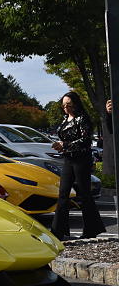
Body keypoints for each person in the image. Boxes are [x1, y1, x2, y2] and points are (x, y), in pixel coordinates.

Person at [50, 91, 106, 240]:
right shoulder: (64, 120)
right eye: (63, 105)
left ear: (75, 104)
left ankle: (91, 229)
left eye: (68, 104)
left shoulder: (83, 119)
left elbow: (86, 141)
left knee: (84, 194)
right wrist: (60, 146)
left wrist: (65, 145)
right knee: (63, 194)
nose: (66, 108)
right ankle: (58, 231)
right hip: (68, 159)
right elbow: (63, 138)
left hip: (82, 160)